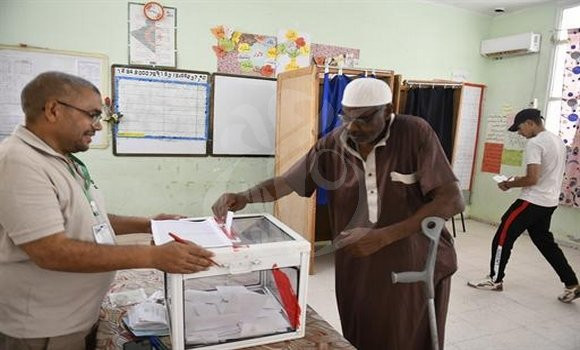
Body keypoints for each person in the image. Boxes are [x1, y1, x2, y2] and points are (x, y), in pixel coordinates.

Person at [212, 78, 464, 349]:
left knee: (409, 334)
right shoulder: (332, 144)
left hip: (412, 256)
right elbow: (287, 182)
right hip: (358, 262)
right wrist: (244, 197)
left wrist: (383, 237)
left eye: (365, 118)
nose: (354, 127)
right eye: (347, 117)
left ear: (388, 110)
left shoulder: (415, 133)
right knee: (360, 329)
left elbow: (452, 200)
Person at [0, 71, 215, 350]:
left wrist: (149, 224)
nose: (98, 126)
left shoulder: (59, 158)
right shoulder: (18, 162)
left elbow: (89, 218)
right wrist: (152, 255)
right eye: (91, 114)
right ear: (53, 110)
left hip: (75, 316)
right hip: (43, 329)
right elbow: (50, 251)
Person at [468, 108, 579, 302]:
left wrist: (508, 183)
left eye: (520, 129)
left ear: (530, 123)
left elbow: (532, 178)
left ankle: (495, 279)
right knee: (545, 243)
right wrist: (518, 179)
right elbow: (544, 175)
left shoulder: (535, 143)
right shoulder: (558, 140)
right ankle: (572, 283)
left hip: (532, 201)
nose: (520, 133)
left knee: (503, 235)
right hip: (550, 201)